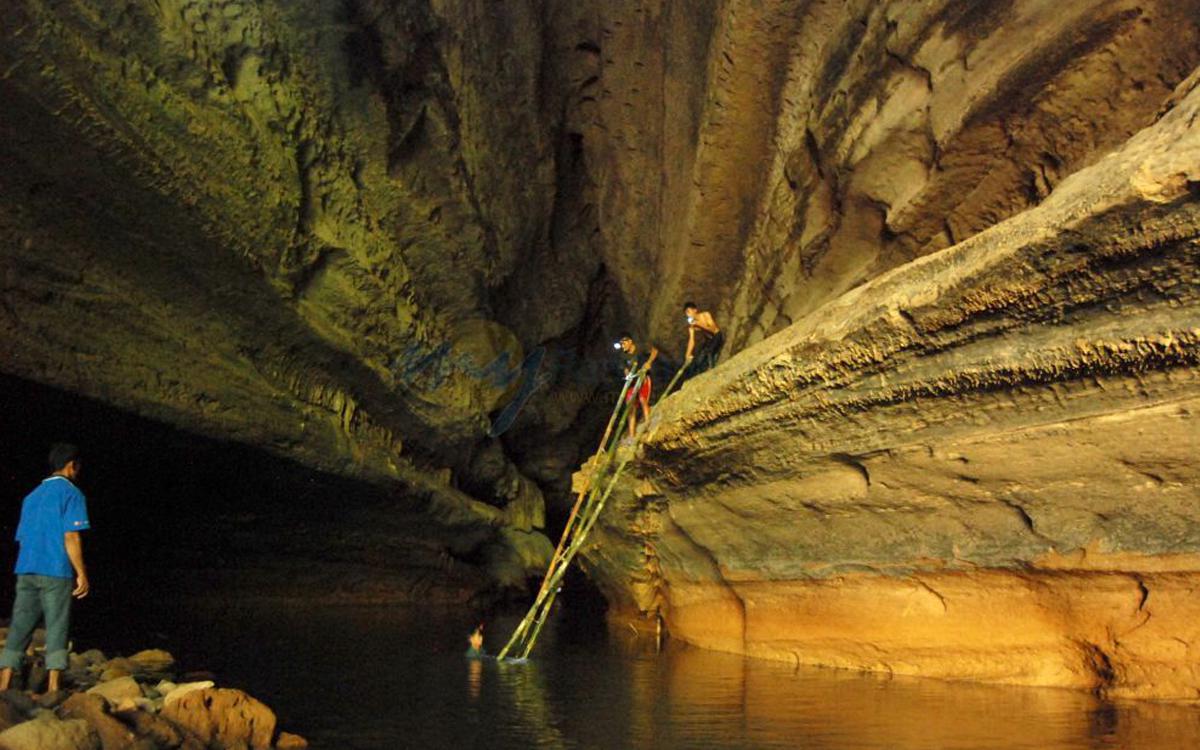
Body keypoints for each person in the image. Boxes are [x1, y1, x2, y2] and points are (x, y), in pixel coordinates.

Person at [0, 443, 90, 694]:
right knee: (57, 625)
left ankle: (4, 684)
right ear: (72, 465)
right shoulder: (72, 494)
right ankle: (53, 688)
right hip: (55, 569)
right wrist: (81, 572)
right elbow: (71, 536)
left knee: (20, 625)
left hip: (26, 568)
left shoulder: (32, 496)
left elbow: (22, 536)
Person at [616, 334, 658, 439]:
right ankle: (631, 436)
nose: (622, 346)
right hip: (632, 382)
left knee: (643, 401)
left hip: (643, 378)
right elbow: (625, 369)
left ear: (630, 341)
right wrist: (628, 376)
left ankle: (649, 424)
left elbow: (655, 351)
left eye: (624, 343)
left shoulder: (641, 348)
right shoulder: (623, 355)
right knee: (630, 408)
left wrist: (648, 363)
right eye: (621, 344)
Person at [683, 302, 725, 375]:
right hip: (709, 340)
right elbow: (691, 341)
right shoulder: (692, 326)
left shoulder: (705, 315)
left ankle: (712, 371)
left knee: (709, 352)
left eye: (689, 312)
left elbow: (713, 329)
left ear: (695, 310)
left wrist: (699, 324)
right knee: (699, 358)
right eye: (687, 313)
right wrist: (687, 354)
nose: (688, 315)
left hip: (717, 335)